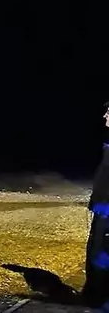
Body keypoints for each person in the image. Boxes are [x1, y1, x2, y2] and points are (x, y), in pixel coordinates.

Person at [82, 103, 109, 308]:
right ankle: (94, 292)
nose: (105, 115)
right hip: (102, 207)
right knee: (95, 248)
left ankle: (98, 295)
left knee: (101, 251)